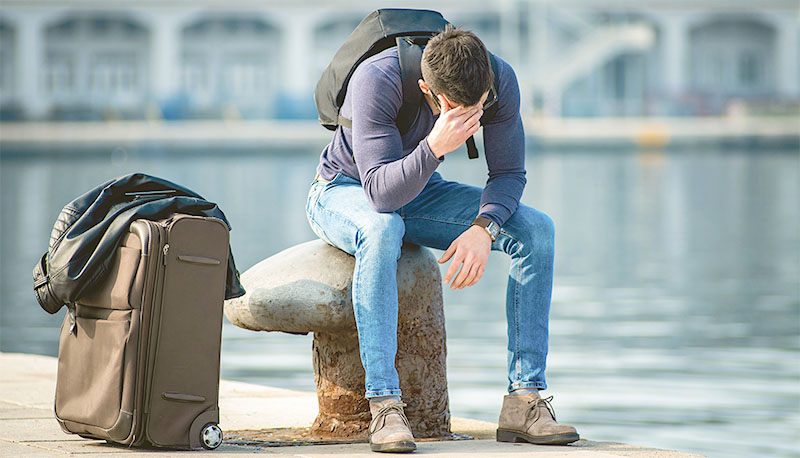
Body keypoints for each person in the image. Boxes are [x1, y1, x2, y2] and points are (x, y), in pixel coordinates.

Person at [305, 25, 579, 453]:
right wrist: (435, 144)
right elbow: (380, 195)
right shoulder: (376, 78)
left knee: (536, 229)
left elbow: (508, 174)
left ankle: (525, 398)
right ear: (427, 90)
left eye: (479, 107)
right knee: (384, 228)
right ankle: (384, 403)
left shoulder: (499, 79)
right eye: (458, 109)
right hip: (345, 188)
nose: (471, 119)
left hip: (420, 188)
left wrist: (482, 228)